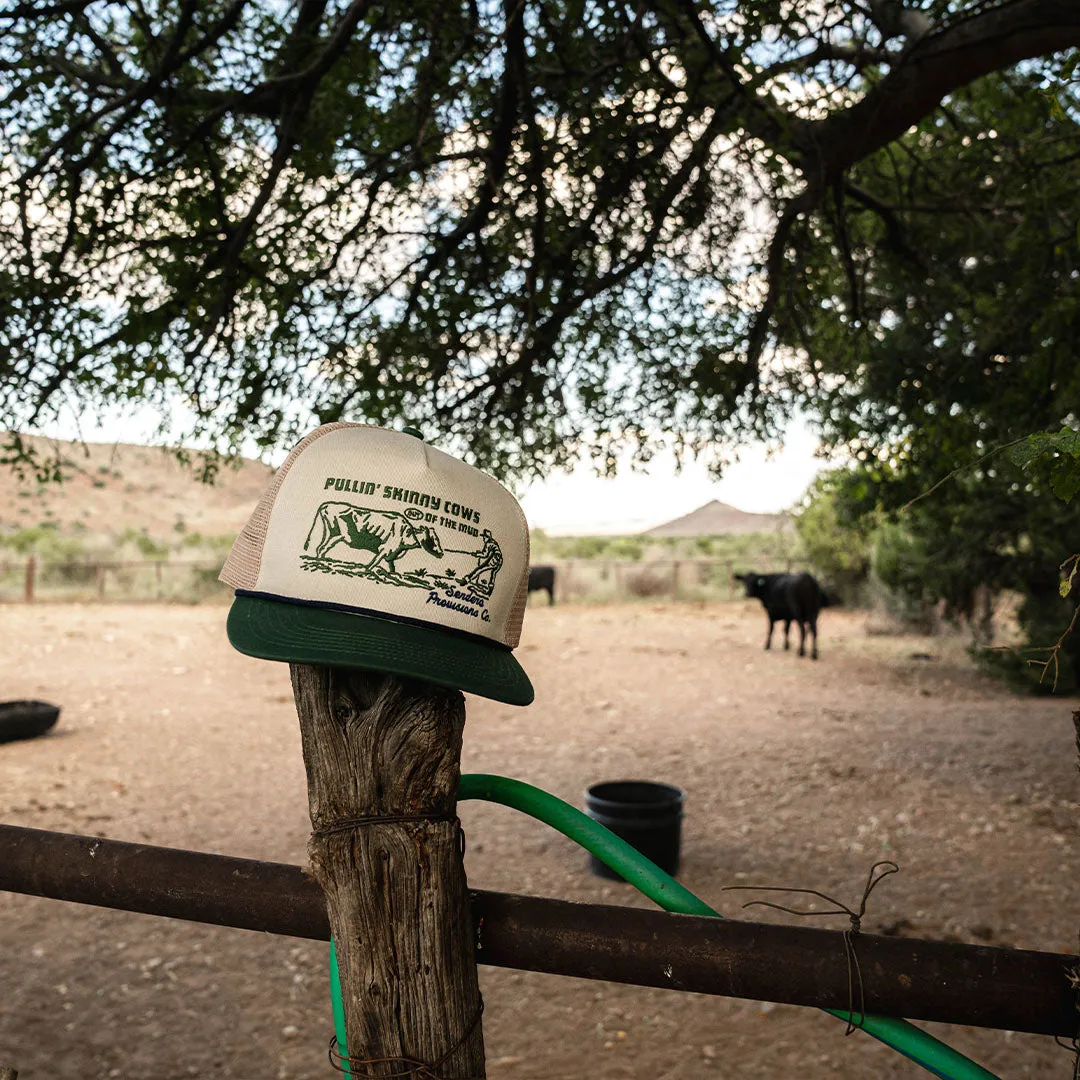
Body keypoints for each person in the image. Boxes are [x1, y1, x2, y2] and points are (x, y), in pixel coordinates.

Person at [464, 529, 502, 598]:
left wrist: (476, 554)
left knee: (480, 569)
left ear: (488, 537)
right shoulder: (493, 542)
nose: (484, 538)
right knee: (493, 575)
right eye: (484, 537)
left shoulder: (489, 543)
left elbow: (484, 555)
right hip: (499, 561)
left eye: (485, 537)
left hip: (495, 559)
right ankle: (489, 591)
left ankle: (466, 580)